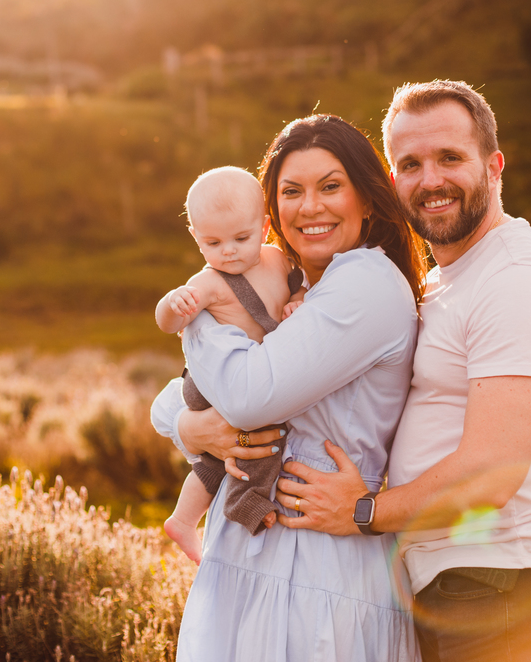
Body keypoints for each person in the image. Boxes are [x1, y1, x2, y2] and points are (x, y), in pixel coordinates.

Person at [274, 80, 531, 662]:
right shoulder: (450, 275)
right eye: (411, 164)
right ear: (392, 181)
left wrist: (362, 512)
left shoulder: (516, 282)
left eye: (450, 158)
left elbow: (490, 475)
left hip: (505, 589)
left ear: (493, 166)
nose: (431, 179)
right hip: (461, 587)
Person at [150, 114, 428, 661]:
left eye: (331, 186)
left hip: (320, 564)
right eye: (291, 191)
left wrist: (205, 307)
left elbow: (248, 396)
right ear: (272, 210)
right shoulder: (297, 289)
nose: (311, 206)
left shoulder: (365, 285)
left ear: (367, 200)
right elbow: (190, 398)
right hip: (260, 560)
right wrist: (190, 425)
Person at [154, 166, 305, 564]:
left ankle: (184, 520)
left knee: (220, 454)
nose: (229, 251)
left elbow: (299, 284)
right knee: (249, 442)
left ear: (266, 227)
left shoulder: (276, 259)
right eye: (213, 242)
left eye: (241, 238)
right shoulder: (209, 282)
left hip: (248, 379)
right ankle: (244, 500)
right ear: (196, 238)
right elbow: (167, 322)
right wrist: (174, 306)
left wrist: (298, 300)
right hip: (210, 385)